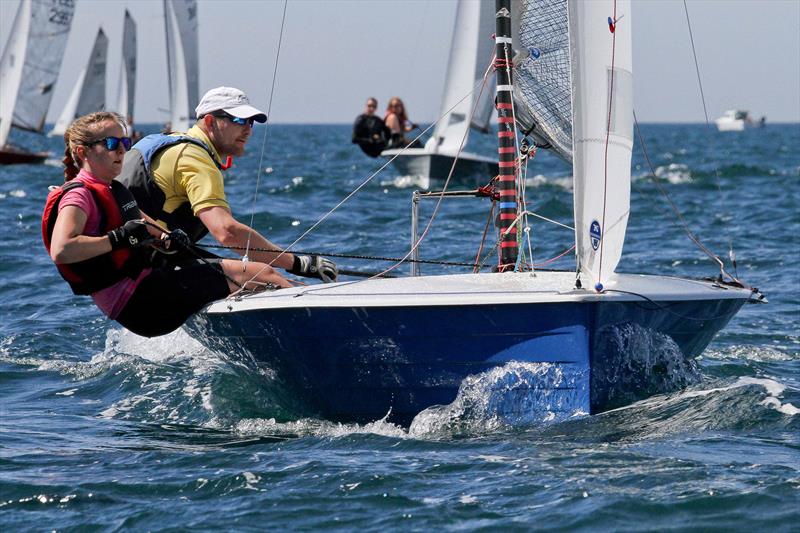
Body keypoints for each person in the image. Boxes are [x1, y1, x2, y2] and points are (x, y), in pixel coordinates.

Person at [43, 111, 292, 338]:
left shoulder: (111, 189)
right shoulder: (79, 196)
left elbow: (144, 223)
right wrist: (119, 238)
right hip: (140, 302)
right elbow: (62, 249)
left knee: (243, 275)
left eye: (125, 143)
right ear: (82, 152)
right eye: (110, 144)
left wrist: (169, 237)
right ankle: (310, 326)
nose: (120, 151)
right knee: (262, 274)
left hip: (144, 292)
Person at [119, 86, 337, 282]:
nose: (248, 129)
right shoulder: (195, 158)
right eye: (239, 120)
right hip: (141, 268)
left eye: (250, 122)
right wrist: (297, 263)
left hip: (128, 260)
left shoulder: (170, 142)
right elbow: (227, 232)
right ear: (210, 122)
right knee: (267, 277)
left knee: (256, 272)